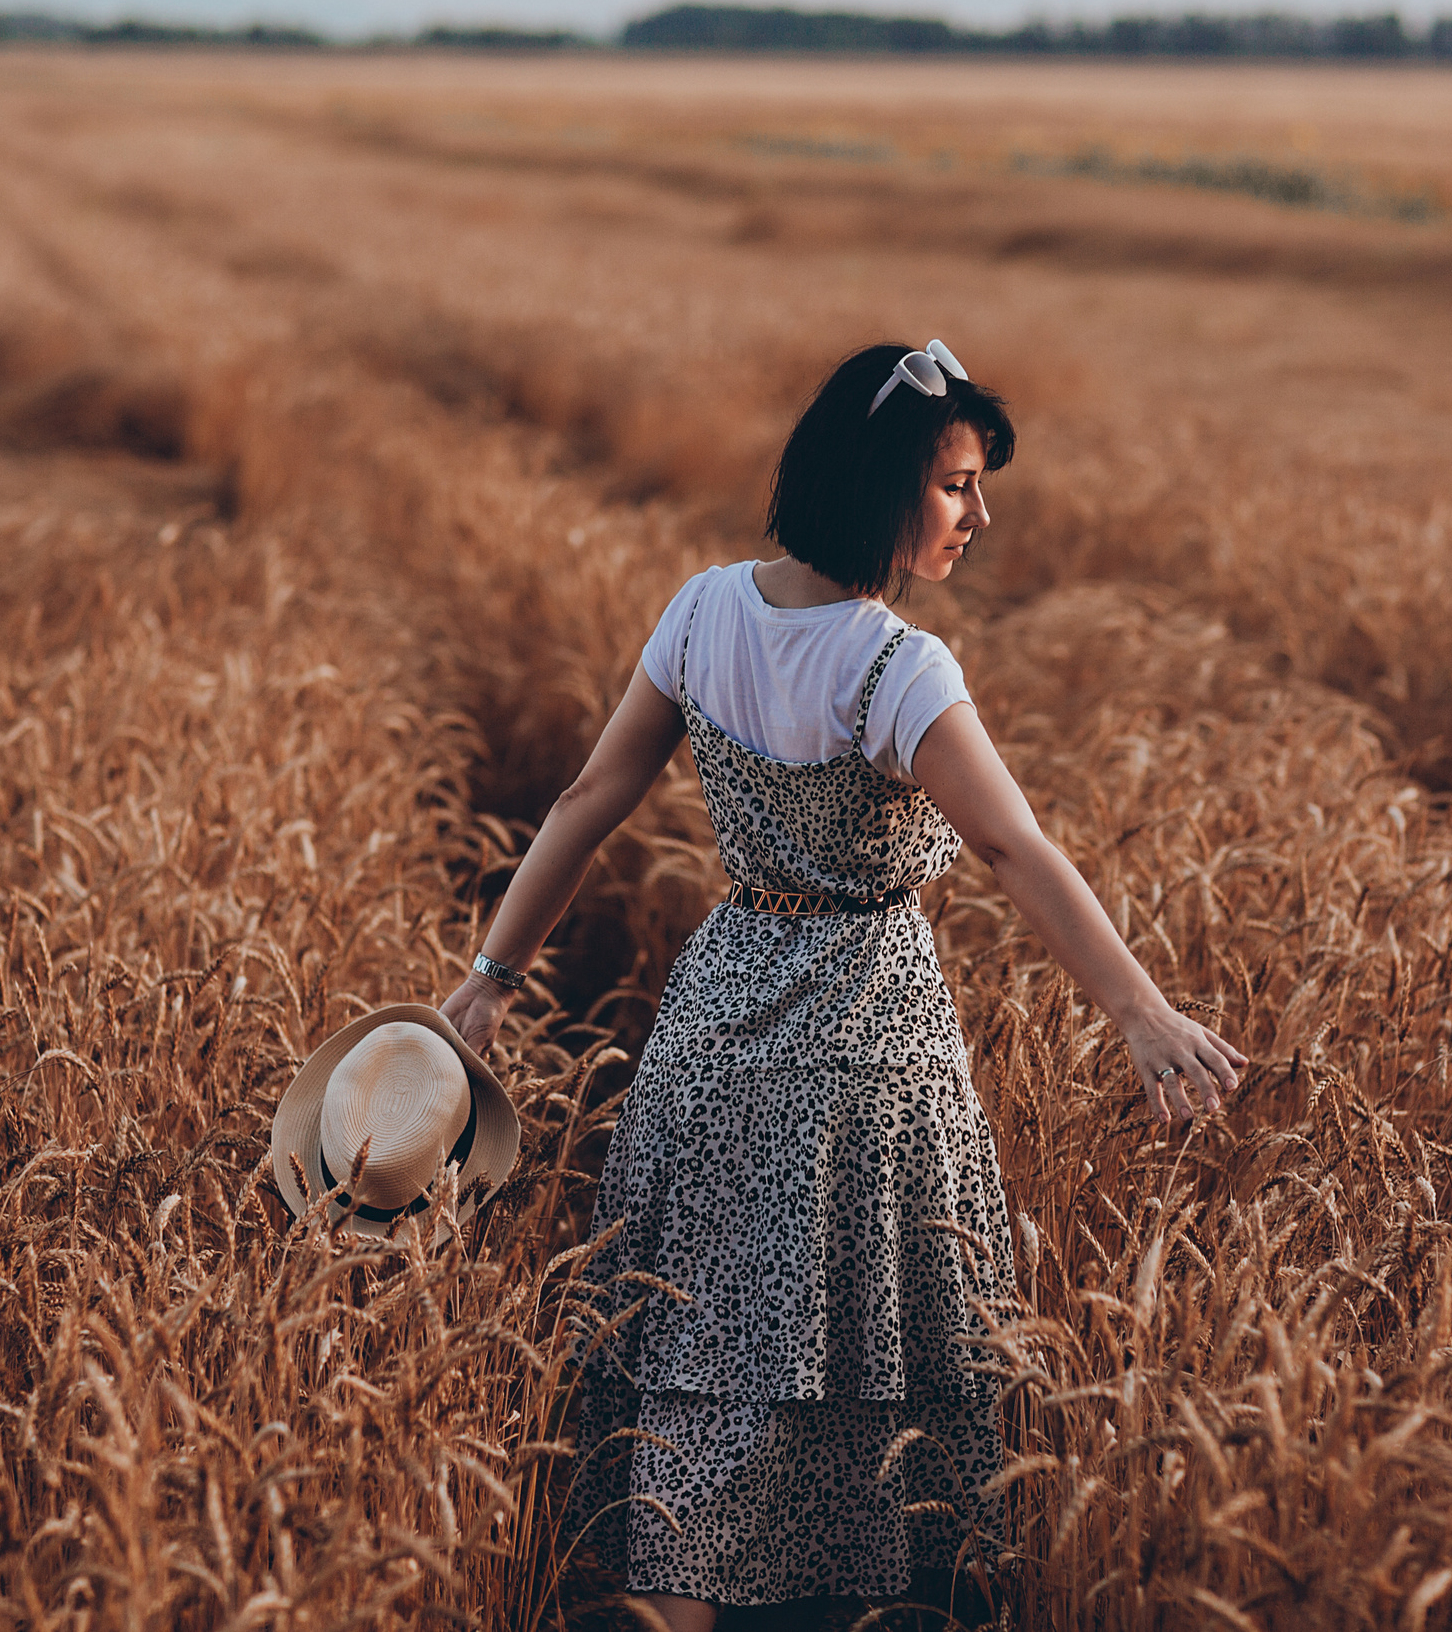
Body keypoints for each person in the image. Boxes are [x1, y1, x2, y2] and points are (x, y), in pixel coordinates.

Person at [439, 340, 1245, 1628]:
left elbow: (591, 799)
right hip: (863, 1034)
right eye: (957, 486)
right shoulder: (897, 668)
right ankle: (851, 1595)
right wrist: (1140, 1012)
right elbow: (1008, 846)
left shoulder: (702, 609)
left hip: (714, 1012)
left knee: (701, 1328)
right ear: (881, 488)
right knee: (868, 1331)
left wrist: (489, 977)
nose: (980, 515)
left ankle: (681, 1592)